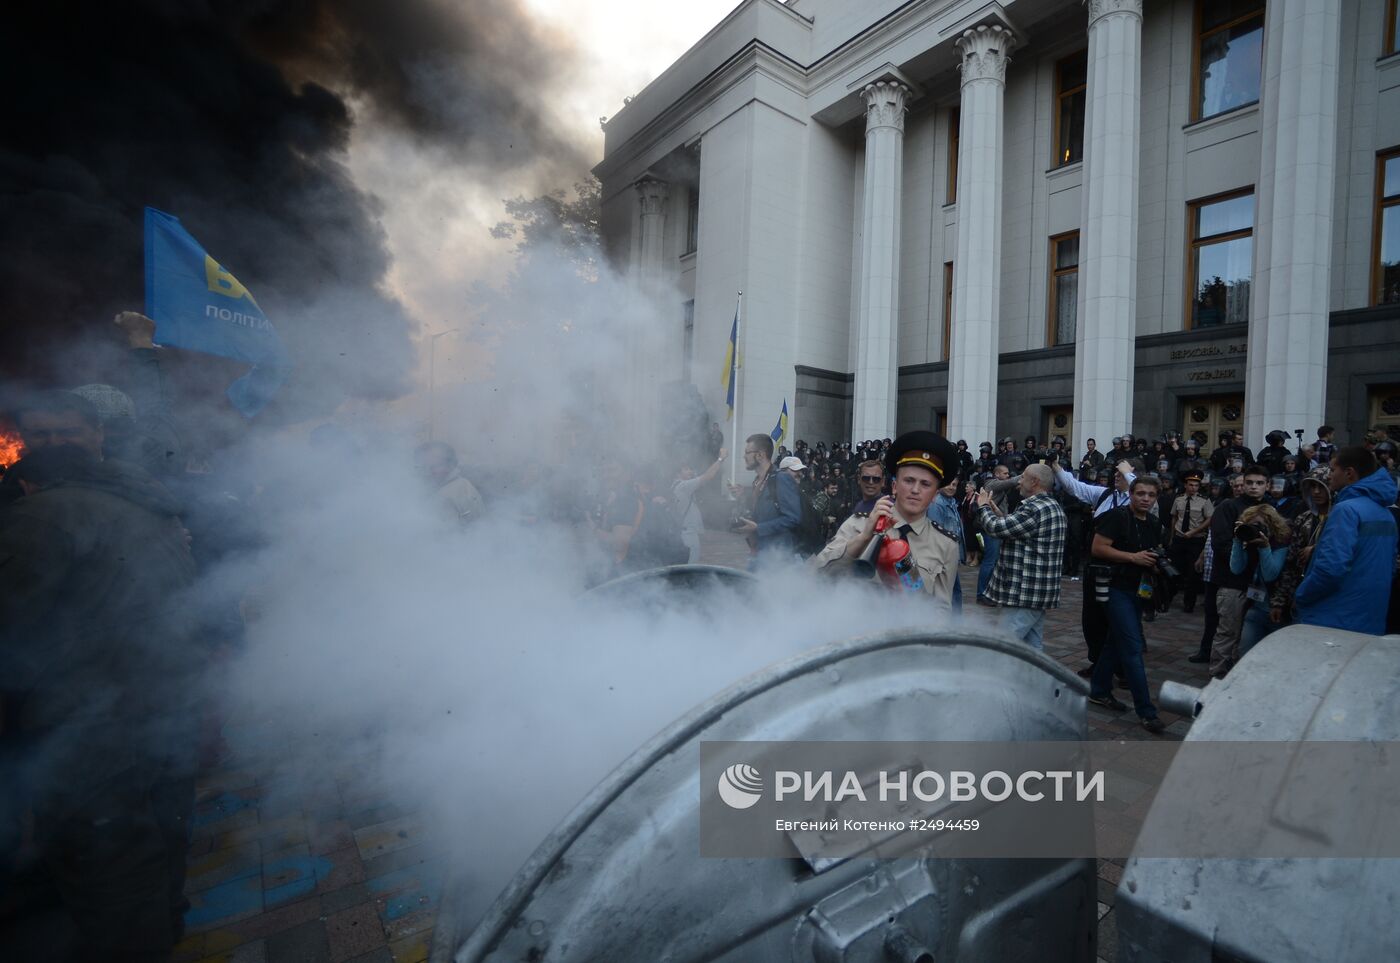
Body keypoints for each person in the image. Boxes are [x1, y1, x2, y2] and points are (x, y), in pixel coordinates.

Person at [0, 442, 202, 959]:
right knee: (160, 835)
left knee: (108, 862)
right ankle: (163, 930)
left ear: (27, 485)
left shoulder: (43, 516)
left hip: (91, 719)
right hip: (169, 699)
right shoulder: (144, 505)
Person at [812, 431, 961, 611]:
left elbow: (941, 608)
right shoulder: (859, 525)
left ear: (935, 494)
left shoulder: (946, 545)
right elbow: (819, 574)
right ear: (894, 486)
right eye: (908, 480)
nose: (915, 490)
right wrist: (864, 538)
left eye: (925, 484)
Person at [1087, 477, 1167, 734]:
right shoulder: (1116, 517)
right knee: (1133, 648)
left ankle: (1099, 690)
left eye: (1151, 495)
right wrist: (1133, 557)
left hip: (1138, 589)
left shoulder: (1154, 523)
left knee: (1115, 642)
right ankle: (1146, 710)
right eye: (1141, 493)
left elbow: (1153, 551)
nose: (1145, 498)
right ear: (1131, 494)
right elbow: (1098, 548)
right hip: (1114, 587)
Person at [1293, 447, 1398, 634]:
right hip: (1370, 619)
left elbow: (1330, 569)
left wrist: (1301, 594)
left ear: (1349, 473)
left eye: (1333, 470)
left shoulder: (1346, 510)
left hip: (1333, 619)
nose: (1330, 476)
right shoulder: (1386, 514)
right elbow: (1389, 568)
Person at [1053, 456, 1139, 675]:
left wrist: (1128, 471)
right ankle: (1098, 661)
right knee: (1093, 617)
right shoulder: (1105, 494)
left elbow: (1139, 487)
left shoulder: (1138, 498)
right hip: (1096, 565)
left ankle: (1122, 669)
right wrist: (1056, 466)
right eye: (1117, 474)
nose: (1116, 477)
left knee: (1119, 619)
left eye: (1121, 474)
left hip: (1122, 566)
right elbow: (1075, 487)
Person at [974, 464, 1066, 650]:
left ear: (1035, 482)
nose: (1019, 482)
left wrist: (983, 506)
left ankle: (1003, 679)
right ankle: (1031, 680)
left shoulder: (1036, 508)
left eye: (1023, 477)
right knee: (1031, 649)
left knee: (1004, 647)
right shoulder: (1049, 505)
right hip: (1033, 593)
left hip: (1024, 594)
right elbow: (1016, 530)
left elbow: (997, 529)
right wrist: (995, 511)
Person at [1206, 464, 1271, 677]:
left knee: (1253, 634)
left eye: (1259, 483)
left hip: (1261, 582)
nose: (1253, 487)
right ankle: (1217, 677)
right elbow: (1220, 543)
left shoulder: (1271, 509)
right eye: (1249, 482)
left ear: (1267, 485)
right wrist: (1245, 551)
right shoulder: (1228, 507)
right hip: (1231, 581)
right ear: (1242, 483)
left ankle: (1242, 677)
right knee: (1228, 632)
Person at [1229, 504, 1290, 660]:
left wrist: (1264, 547)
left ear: (1272, 526)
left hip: (1277, 611)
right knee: (1245, 654)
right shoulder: (1249, 542)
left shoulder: (1280, 544)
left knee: (1272, 658)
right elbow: (1236, 569)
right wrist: (1237, 540)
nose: (1256, 529)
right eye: (1252, 525)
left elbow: (1270, 574)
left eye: (1260, 525)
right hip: (1255, 608)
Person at [732, 433, 802, 565]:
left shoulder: (781, 478)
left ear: (760, 455)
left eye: (747, 452)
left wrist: (758, 527)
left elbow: (793, 518)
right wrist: (743, 497)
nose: (744, 457)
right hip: (758, 552)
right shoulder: (757, 481)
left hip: (779, 557)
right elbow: (761, 510)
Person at [1166, 469, 1212, 612]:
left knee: (1192, 574)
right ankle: (1167, 599)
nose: (1193, 488)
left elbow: (1210, 519)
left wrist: (1194, 531)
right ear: (1185, 485)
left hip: (1195, 541)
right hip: (1179, 539)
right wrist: (1172, 537)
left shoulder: (1205, 501)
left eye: (1196, 485)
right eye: (1191, 485)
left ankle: (1189, 603)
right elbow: (1174, 517)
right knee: (1173, 570)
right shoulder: (1178, 499)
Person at [414, 441, 485, 529]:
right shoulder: (459, 483)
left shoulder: (455, 491)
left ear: (451, 465)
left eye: (435, 466)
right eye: (424, 467)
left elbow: (443, 535)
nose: (429, 472)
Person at [672, 448, 727, 564]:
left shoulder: (676, 486)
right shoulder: (683, 486)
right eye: (686, 469)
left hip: (683, 533)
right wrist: (721, 459)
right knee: (690, 568)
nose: (690, 471)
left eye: (690, 469)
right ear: (678, 473)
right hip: (688, 535)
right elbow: (708, 476)